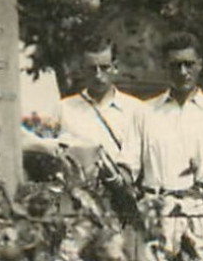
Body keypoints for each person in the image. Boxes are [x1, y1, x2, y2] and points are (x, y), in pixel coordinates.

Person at [138, 31, 203, 260]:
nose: (182, 72)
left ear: (199, 65)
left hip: (202, 213)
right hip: (157, 211)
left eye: (188, 64)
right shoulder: (145, 112)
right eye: (175, 66)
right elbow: (130, 166)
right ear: (165, 67)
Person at [56, 35, 143, 176]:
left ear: (115, 67)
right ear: (82, 69)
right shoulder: (64, 108)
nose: (98, 75)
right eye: (92, 69)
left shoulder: (135, 109)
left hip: (122, 192)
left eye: (104, 68)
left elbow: (138, 159)